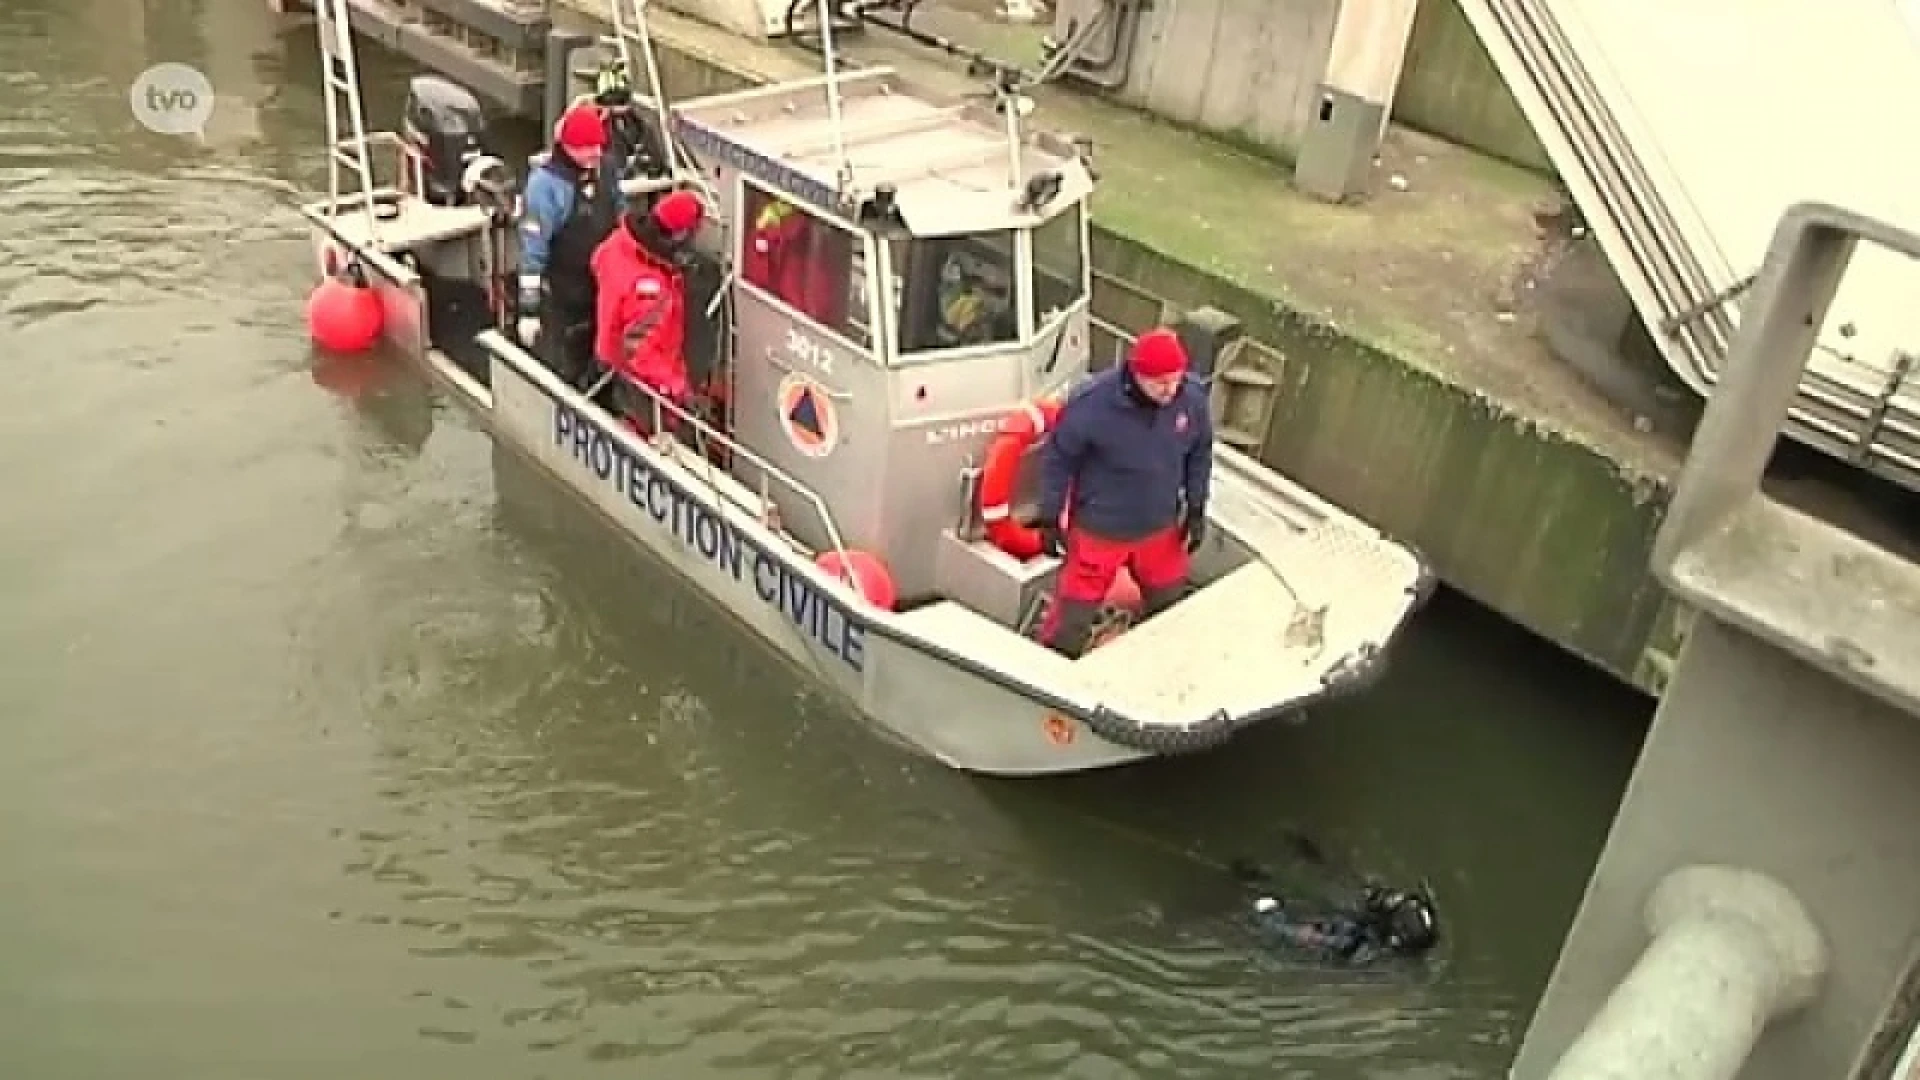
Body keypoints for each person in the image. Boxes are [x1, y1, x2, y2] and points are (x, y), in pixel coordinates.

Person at [1035, 328, 1213, 657]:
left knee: (1171, 611)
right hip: (1100, 532)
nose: (1170, 390)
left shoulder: (1192, 399)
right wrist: (1049, 515)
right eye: (1160, 382)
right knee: (1069, 625)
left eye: (1176, 380)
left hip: (1160, 529)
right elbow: (1059, 457)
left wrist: (1197, 506)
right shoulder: (1092, 405)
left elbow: (1200, 452)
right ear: (1137, 373)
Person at [517, 103, 618, 388]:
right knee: (566, 365)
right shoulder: (545, 187)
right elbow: (532, 253)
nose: (596, 154)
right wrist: (529, 311)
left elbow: (620, 216)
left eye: (599, 146)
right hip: (564, 296)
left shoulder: (606, 169)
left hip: (603, 289)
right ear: (569, 147)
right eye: (588, 148)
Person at [589, 187, 706, 432]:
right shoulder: (652, 290)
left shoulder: (620, 242)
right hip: (634, 378)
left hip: (606, 354)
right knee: (652, 428)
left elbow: (597, 261)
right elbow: (640, 352)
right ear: (680, 235)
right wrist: (678, 389)